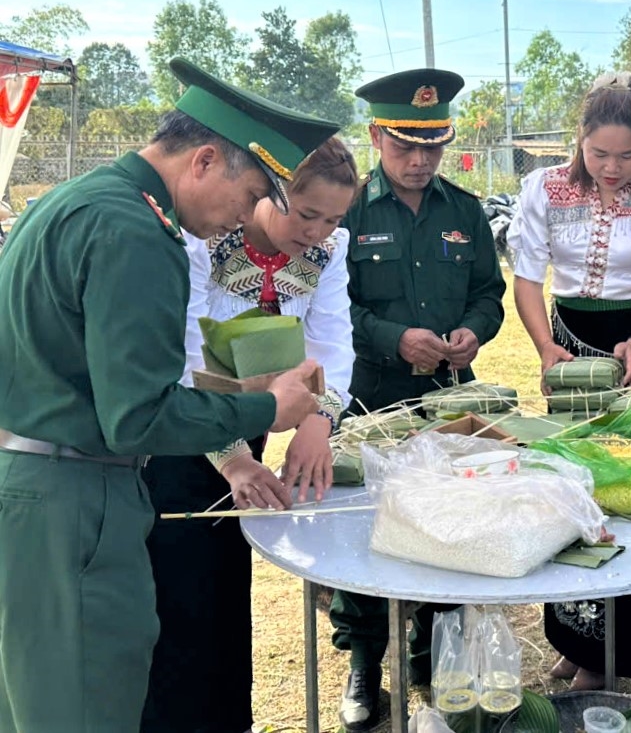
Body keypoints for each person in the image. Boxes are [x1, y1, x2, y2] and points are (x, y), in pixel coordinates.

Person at [0, 57, 333, 733]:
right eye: (246, 200)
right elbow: (139, 414)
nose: (239, 223)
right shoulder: (136, 232)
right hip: (77, 502)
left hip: (28, 485)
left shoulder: (71, 202)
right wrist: (268, 408)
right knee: (83, 706)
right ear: (205, 160)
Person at [140, 136, 361, 733]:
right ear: (270, 188)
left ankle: (226, 717)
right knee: (177, 593)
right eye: (306, 212)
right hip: (181, 435)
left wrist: (317, 419)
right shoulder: (200, 234)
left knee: (226, 588)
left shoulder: (330, 250)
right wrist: (232, 458)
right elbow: (182, 356)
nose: (317, 231)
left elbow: (332, 344)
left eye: (333, 219)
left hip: (252, 432)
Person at [507, 70, 631, 690]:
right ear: (579, 141)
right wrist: (544, 348)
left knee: (628, 492)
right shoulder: (544, 186)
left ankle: (613, 656)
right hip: (567, 347)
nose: (611, 167)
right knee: (566, 484)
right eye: (598, 154)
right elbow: (529, 276)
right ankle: (574, 639)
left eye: (626, 155)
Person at [330, 68, 506, 732]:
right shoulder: (346, 210)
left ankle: (431, 660)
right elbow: (326, 309)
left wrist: (473, 332)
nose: (418, 160)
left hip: (445, 405)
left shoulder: (462, 210)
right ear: (375, 136)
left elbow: (489, 292)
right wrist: (390, 338)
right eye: (405, 144)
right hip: (369, 401)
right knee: (364, 533)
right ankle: (363, 662)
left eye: (431, 146)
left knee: (445, 528)